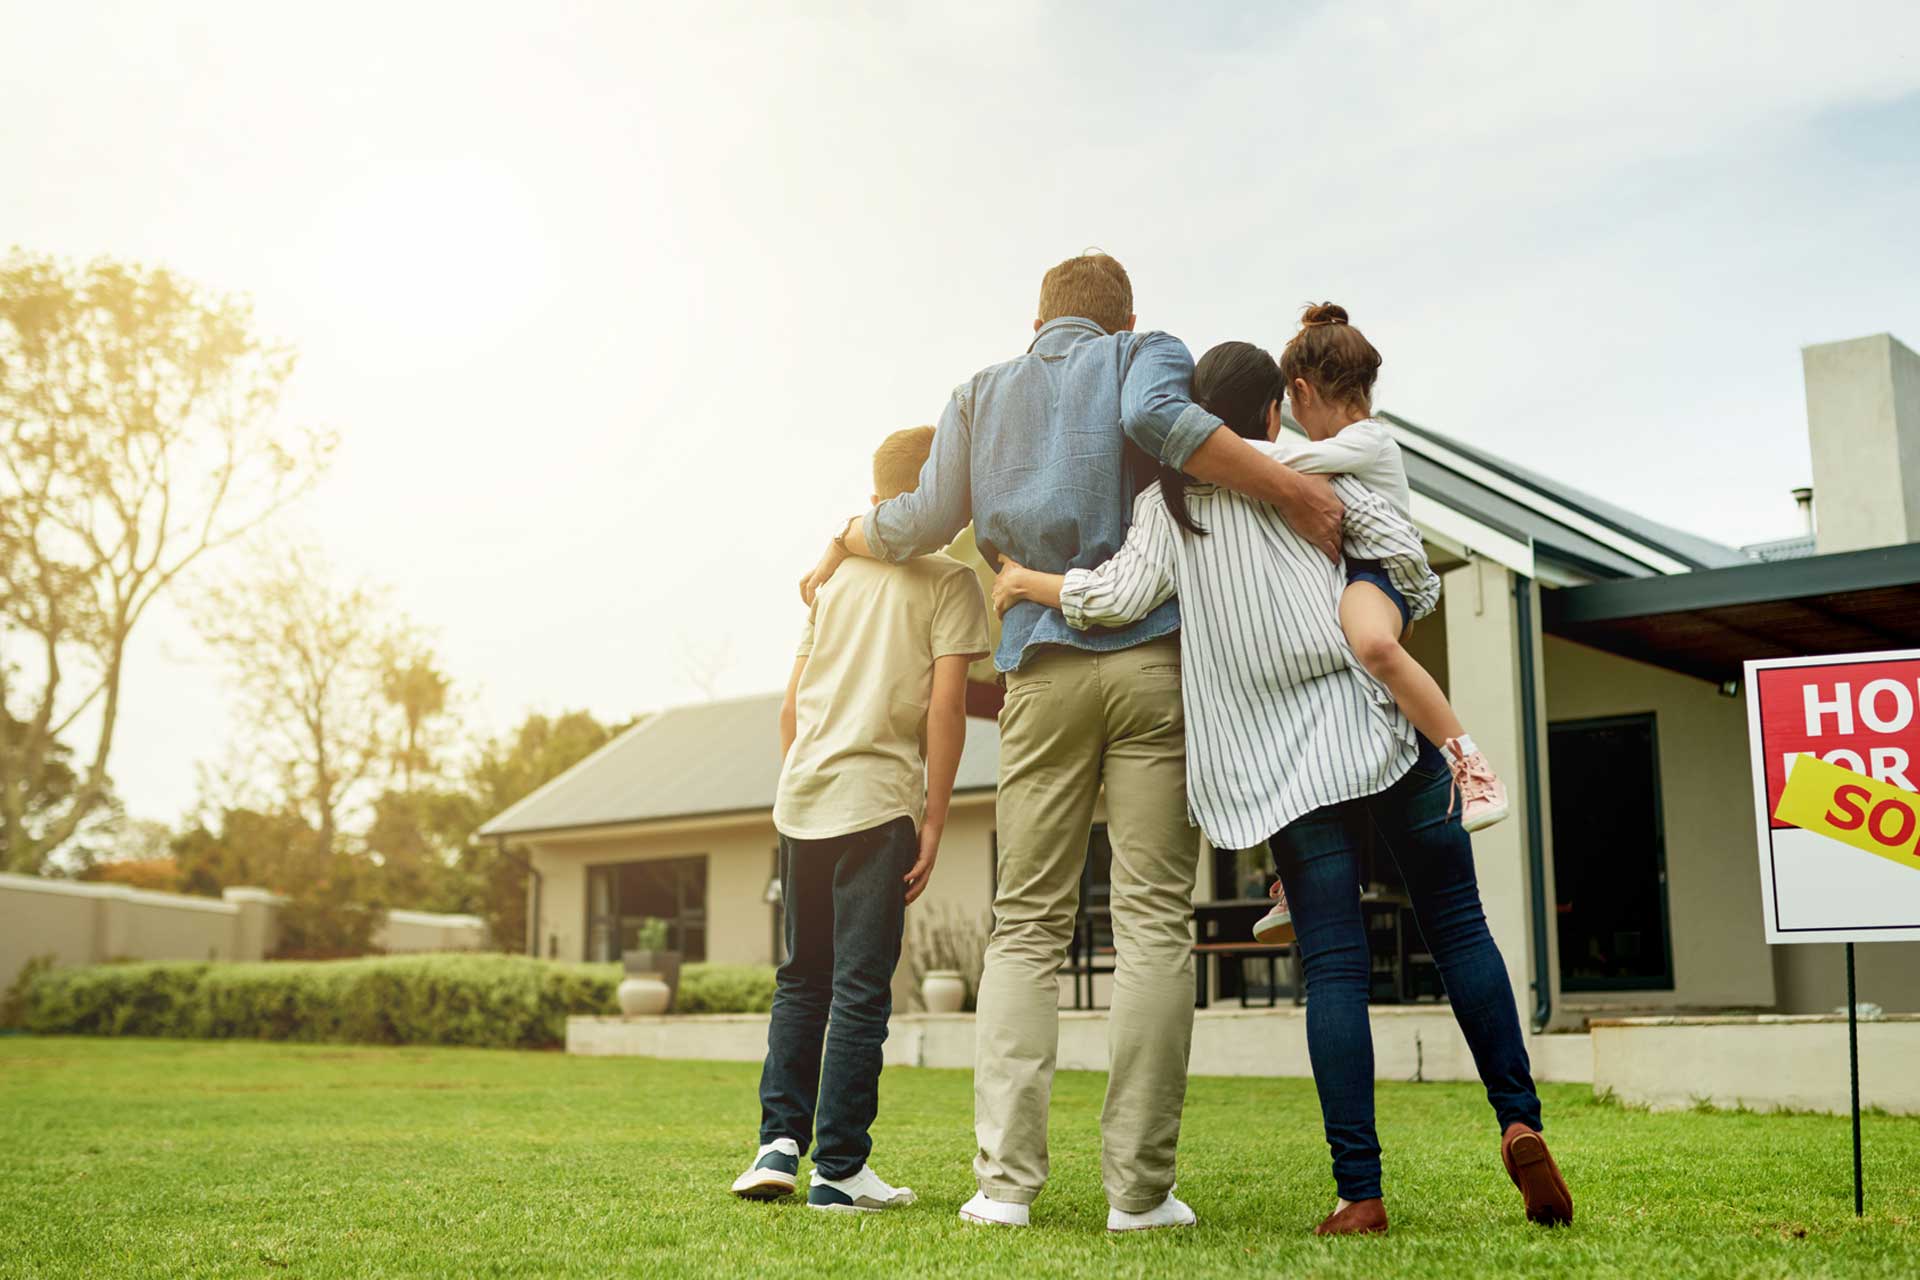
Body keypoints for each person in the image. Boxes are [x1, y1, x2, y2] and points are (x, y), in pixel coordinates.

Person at [797, 252, 1344, 1232]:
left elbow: (922, 519)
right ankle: (1138, 1192)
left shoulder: (978, 393)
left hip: (1038, 674)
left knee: (1027, 926)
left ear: (1037, 317)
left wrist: (850, 528)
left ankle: (1004, 1185)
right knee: (1150, 922)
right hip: (1150, 670)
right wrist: (1292, 489)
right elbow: (1159, 424)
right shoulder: (1145, 351)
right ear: (1123, 315)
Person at [994, 335, 1572, 1237]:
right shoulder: (1307, 470)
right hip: (1376, 731)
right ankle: (1519, 1119)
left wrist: (1028, 581)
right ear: (1273, 411)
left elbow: (1113, 599)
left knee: (1334, 969)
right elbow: (1403, 558)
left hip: (1285, 773)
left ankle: (1360, 1193)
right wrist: (1382, 602)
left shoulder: (1168, 502)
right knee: (1459, 927)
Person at [732, 426, 989, 1213]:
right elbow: (947, 705)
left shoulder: (831, 582)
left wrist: (802, 781)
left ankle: (778, 1145)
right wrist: (935, 818)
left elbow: (789, 708)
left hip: (802, 799)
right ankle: (838, 1167)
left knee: (801, 979)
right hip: (877, 805)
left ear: (877, 500)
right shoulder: (951, 582)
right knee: (859, 989)